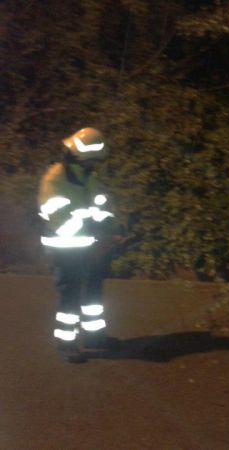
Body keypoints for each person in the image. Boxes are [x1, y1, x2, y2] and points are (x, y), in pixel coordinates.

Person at [38, 127, 118, 362]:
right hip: (65, 248)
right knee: (70, 295)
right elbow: (57, 219)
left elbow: (98, 205)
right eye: (94, 160)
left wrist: (110, 222)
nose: (96, 164)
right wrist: (88, 224)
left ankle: (94, 338)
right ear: (82, 156)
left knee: (93, 293)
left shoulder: (86, 176)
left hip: (88, 246)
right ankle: (67, 344)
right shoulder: (55, 178)